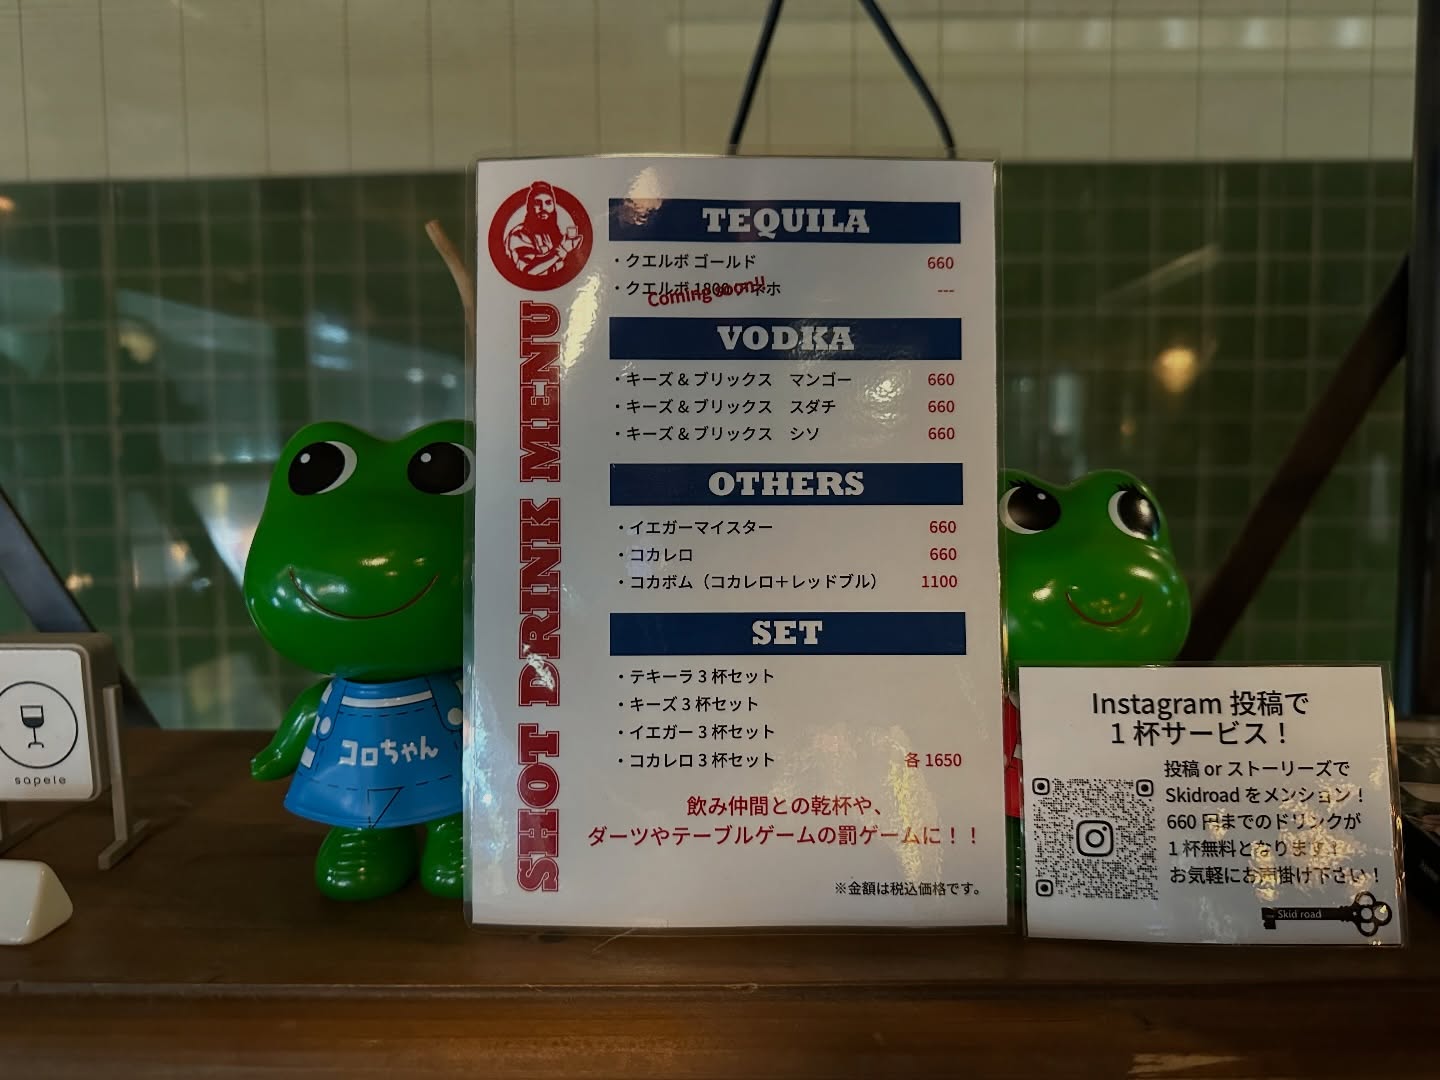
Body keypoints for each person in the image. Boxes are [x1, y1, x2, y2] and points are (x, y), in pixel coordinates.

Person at [505, 181, 581, 278]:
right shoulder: (519, 234)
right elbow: (528, 270)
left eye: (548, 203)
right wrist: (561, 251)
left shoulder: (551, 234)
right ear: (529, 206)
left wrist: (574, 252)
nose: (543, 208)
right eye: (538, 203)